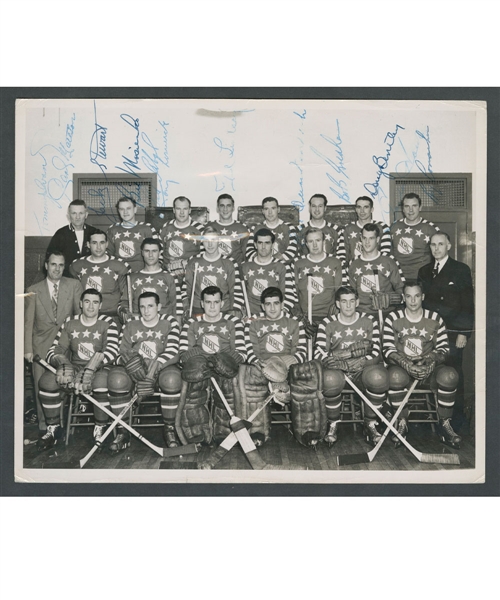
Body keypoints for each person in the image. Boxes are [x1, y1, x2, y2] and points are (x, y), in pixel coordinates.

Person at [38, 289, 119, 451]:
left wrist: (91, 367)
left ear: (100, 305)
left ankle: (100, 426)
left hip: (99, 367)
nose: (91, 306)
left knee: (101, 382)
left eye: (95, 302)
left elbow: (112, 351)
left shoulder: (108, 322)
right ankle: (53, 429)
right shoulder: (70, 321)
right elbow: (54, 350)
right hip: (75, 366)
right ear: (81, 304)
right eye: (87, 301)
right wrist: (62, 363)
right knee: (46, 381)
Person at [383, 281, 461, 449]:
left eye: (417, 296)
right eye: (409, 296)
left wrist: (431, 361)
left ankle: (445, 424)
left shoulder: (434, 318)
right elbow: (388, 350)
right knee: (394, 375)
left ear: (423, 297)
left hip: (428, 369)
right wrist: (406, 364)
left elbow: (444, 349)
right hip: (403, 370)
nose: (413, 301)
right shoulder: (393, 318)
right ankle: (401, 421)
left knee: (450, 375)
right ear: (403, 298)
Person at [314, 286, 387, 446]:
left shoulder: (369, 320)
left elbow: (375, 353)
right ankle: (333, 424)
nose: (348, 305)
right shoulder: (327, 323)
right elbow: (319, 354)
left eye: (352, 301)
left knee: (379, 377)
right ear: (338, 304)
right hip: (338, 372)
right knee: (329, 378)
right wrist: (344, 362)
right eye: (344, 301)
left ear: (358, 302)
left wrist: (360, 361)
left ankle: (370, 424)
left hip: (362, 371)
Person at [418, 232, 474, 429]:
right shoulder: (424, 271)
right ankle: (433, 418)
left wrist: (463, 332)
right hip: (430, 333)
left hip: (452, 332)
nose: (437, 248)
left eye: (441, 244)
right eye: (433, 245)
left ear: (448, 245)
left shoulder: (460, 269)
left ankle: (455, 420)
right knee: (431, 371)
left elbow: (467, 304)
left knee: (453, 374)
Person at [24, 251, 83, 433]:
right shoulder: (32, 290)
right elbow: (28, 323)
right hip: (40, 345)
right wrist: (27, 349)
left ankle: (65, 424)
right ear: (46, 265)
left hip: (65, 344)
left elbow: (78, 318)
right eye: (53, 264)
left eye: (60, 265)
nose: (57, 268)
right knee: (41, 385)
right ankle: (45, 426)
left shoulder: (73, 285)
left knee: (66, 383)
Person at [114, 292, 181, 451]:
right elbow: (118, 353)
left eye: (150, 306)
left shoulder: (169, 322)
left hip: (161, 368)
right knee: (116, 380)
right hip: (136, 371)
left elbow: (173, 351)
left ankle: (169, 428)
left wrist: (154, 367)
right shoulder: (130, 324)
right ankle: (123, 431)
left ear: (158, 307)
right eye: (142, 307)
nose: (146, 311)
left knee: (171, 380)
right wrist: (128, 361)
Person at [179, 286, 247, 443]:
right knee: (193, 384)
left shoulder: (233, 322)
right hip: (201, 367)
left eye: (216, 302)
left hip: (224, 366)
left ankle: (223, 431)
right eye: (208, 302)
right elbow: (183, 354)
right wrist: (204, 358)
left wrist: (221, 360)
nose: (212, 306)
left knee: (228, 386)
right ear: (202, 303)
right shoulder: (192, 322)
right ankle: (198, 432)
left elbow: (241, 353)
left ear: (222, 303)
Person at [244, 286, 307, 445]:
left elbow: (302, 351)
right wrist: (260, 365)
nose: (272, 308)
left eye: (276, 303)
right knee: (253, 381)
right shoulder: (254, 324)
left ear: (282, 304)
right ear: (262, 306)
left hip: (287, 367)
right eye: (268, 304)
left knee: (305, 379)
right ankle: (258, 432)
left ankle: (305, 430)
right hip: (262, 368)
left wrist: (288, 362)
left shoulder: (294, 323)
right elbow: (251, 351)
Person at [182, 225, 243, 318]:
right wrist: (187, 308)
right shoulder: (193, 261)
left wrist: (234, 309)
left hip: (223, 310)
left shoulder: (229, 262)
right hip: (198, 309)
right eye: (206, 240)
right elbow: (186, 288)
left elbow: (235, 289)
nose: (210, 244)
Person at [69, 230, 130, 319]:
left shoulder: (119, 265)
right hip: (86, 316)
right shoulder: (76, 265)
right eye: (94, 243)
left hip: (112, 315)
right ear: (88, 244)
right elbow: (74, 296)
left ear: (107, 244)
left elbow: (125, 296)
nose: (98, 247)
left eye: (102, 243)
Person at [348, 223, 405, 318]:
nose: (367, 242)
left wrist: (390, 298)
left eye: (371, 238)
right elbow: (350, 293)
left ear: (378, 240)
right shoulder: (353, 263)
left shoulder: (389, 260)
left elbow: (402, 291)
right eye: (364, 238)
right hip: (362, 315)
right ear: (361, 239)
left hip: (386, 314)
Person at [118, 238, 182, 322]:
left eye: (154, 251)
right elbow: (123, 304)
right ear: (142, 253)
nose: (150, 255)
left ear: (159, 253)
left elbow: (177, 306)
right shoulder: (132, 277)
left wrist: (178, 326)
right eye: (147, 251)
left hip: (164, 325)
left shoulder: (170, 277)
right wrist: (126, 312)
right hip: (139, 326)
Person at [292, 227, 345, 326]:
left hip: (329, 317)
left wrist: (336, 315)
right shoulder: (297, 263)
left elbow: (341, 291)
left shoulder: (336, 262)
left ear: (324, 241)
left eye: (318, 240)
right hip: (305, 318)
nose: (315, 245)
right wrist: (300, 317)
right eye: (311, 241)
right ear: (306, 244)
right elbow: (294, 293)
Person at [240, 228, 297, 317]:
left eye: (267, 243)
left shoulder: (282, 266)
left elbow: (289, 295)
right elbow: (239, 294)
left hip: (275, 315)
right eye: (260, 243)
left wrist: (280, 314)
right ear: (255, 244)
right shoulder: (244, 266)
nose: (263, 247)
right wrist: (244, 314)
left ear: (272, 245)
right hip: (250, 316)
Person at [390, 192, 440, 280]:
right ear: (403, 209)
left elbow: (440, 255)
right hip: (397, 278)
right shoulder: (394, 227)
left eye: (414, 206)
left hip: (422, 278)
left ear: (420, 207)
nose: (411, 210)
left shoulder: (430, 228)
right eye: (407, 206)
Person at [46, 200, 99, 277]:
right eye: (74, 213)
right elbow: (51, 259)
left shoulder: (94, 232)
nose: (77, 217)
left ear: (86, 215)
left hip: (91, 277)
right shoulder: (60, 234)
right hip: (67, 279)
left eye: (81, 213)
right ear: (68, 216)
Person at [106, 196, 158, 272]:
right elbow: (108, 256)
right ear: (118, 211)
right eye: (122, 209)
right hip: (119, 273)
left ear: (135, 209)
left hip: (142, 274)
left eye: (128, 208)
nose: (125, 212)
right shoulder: (112, 229)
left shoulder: (147, 228)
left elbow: (157, 254)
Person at [158, 196, 204, 279]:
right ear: (174, 210)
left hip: (191, 275)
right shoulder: (165, 227)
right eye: (178, 209)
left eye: (185, 209)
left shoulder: (199, 229)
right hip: (168, 275)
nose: (182, 212)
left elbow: (204, 255)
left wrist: (186, 263)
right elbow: (159, 254)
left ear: (190, 210)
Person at [245, 197, 298, 264]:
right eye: (266, 209)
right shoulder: (255, 228)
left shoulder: (289, 227)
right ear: (263, 211)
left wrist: (273, 260)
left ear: (278, 210)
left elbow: (293, 251)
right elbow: (249, 251)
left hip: (283, 266)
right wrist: (265, 260)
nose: (270, 212)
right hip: (262, 266)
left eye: (273, 208)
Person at [342, 195, 391, 265]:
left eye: (366, 207)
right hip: (354, 270)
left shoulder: (382, 227)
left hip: (376, 269)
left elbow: (386, 253)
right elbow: (342, 255)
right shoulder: (347, 228)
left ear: (372, 209)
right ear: (355, 209)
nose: (362, 211)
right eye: (359, 207)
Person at [297, 193, 345, 259]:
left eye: (320, 206)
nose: (317, 209)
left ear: (325, 208)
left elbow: (341, 256)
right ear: (310, 208)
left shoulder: (336, 230)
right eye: (314, 206)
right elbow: (295, 257)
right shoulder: (299, 230)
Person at [206, 193, 249, 264]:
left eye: (228, 206)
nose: (225, 209)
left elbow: (245, 256)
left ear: (233, 208)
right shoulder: (209, 227)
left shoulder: (242, 229)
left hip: (235, 271)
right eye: (222, 206)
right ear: (217, 208)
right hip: (213, 269)